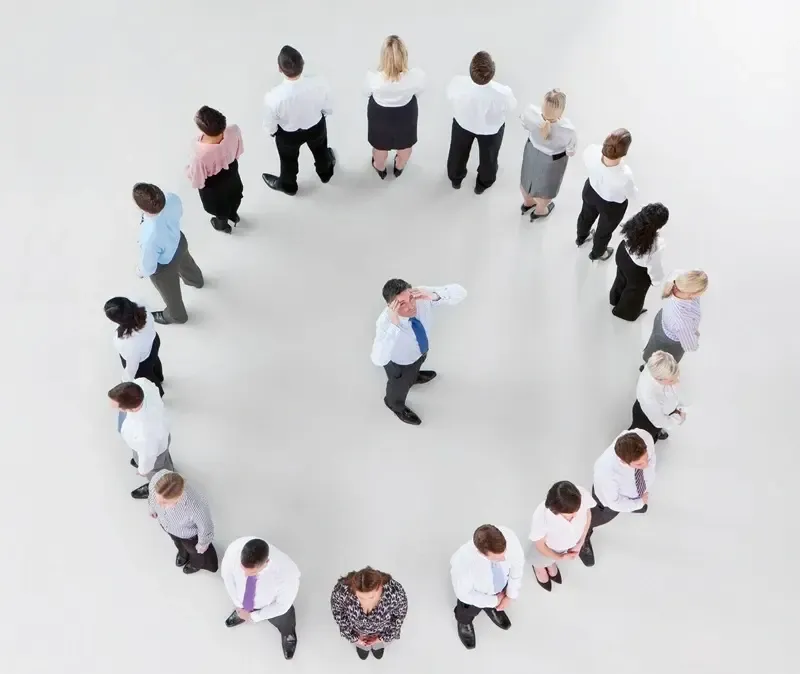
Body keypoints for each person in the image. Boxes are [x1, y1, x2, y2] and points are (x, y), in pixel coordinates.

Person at [370, 279, 467, 425]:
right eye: (402, 304)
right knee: (399, 385)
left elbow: (461, 292)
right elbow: (378, 360)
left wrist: (433, 295)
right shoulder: (385, 322)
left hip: (419, 352)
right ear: (391, 305)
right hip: (400, 363)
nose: (411, 306)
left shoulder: (418, 295)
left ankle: (414, 377)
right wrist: (394, 325)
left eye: (410, 299)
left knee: (416, 365)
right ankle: (394, 404)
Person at [261, 45, 335, 196]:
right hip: (316, 127)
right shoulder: (319, 83)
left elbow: (270, 124)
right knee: (321, 150)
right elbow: (328, 107)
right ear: (303, 64)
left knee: (288, 160)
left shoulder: (273, 97)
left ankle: (288, 186)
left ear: (280, 69)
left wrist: (273, 133)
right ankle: (325, 173)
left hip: (288, 135)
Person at [579, 429, 656, 564]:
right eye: (639, 464)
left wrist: (637, 499)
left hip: (632, 493)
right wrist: (638, 503)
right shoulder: (607, 474)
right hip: (606, 503)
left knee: (633, 502)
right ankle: (582, 537)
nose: (646, 465)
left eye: (647, 458)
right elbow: (614, 503)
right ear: (622, 461)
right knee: (591, 519)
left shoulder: (644, 437)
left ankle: (634, 503)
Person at [133, 183, 204, 325]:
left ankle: (177, 316)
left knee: (171, 294)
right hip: (179, 242)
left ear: (140, 208)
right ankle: (196, 281)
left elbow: (149, 267)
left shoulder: (149, 235)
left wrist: (139, 272)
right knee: (187, 263)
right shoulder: (172, 198)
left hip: (165, 265)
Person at [446, 51, 516, 194]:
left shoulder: (457, 83)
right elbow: (511, 107)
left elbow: (450, 96)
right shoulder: (503, 93)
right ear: (493, 71)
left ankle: (455, 179)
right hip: (491, 130)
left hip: (463, 124)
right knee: (489, 158)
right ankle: (483, 184)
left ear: (471, 68)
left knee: (457, 152)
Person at [221, 537, 300, 660]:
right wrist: (238, 603)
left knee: (285, 620)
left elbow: (282, 606)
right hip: (243, 602)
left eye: (252, 573)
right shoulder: (234, 550)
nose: (246, 575)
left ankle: (288, 634)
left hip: (271, 605)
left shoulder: (287, 573)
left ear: (266, 563)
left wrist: (254, 616)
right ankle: (242, 612)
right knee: (243, 607)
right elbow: (226, 575)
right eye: (243, 569)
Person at [450, 524, 524, 650]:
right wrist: (494, 601)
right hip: (475, 597)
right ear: (480, 552)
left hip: (500, 586)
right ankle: (464, 622)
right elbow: (464, 594)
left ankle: (494, 608)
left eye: (504, 553)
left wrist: (510, 595)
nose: (505, 558)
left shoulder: (509, 537)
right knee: (466, 612)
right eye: (498, 557)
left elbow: (517, 565)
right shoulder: (462, 563)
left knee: (499, 595)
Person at [365, 35, 425, 179]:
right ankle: (399, 166)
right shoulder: (416, 76)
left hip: (379, 115)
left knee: (380, 148)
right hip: (405, 114)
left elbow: (366, 93)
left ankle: (379, 166)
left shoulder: (372, 78)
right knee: (405, 147)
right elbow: (419, 91)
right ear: (404, 56)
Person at [575, 129, 637, 261]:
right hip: (611, 206)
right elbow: (631, 193)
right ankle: (597, 253)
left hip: (590, 191)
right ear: (624, 152)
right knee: (604, 230)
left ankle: (582, 237)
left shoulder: (592, 151)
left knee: (585, 216)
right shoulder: (625, 174)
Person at [108, 379, 171, 499]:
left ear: (132, 409)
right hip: (162, 436)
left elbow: (148, 456)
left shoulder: (145, 433)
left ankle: (159, 486)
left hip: (152, 450)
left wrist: (143, 469)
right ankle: (167, 466)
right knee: (164, 456)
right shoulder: (142, 384)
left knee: (156, 470)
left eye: (118, 407)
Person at [519, 89, 576, 220]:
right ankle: (540, 210)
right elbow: (570, 151)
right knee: (546, 188)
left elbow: (524, 123)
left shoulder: (530, 113)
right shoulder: (568, 130)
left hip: (531, 150)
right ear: (561, 111)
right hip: (553, 160)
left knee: (527, 178)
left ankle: (527, 203)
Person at [186, 105, 244, 234]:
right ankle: (233, 215)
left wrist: (188, 172)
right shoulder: (234, 130)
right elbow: (239, 150)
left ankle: (222, 225)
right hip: (231, 170)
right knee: (234, 195)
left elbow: (198, 179)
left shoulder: (199, 154)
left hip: (213, 184)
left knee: (219, 205)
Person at [528, 481, 595, 592]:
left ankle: (551, 565)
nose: (576, 515)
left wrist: (581, 540)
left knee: (551, 564)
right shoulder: (541, 517)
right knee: (541, 561)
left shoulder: (580, 494)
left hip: (566, 546)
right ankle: (539, 569)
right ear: (556, 510)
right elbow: (540, 546)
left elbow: (587, 513)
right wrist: (559, 557)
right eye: (571, 513)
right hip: (548, 548)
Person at [147, 470, 218, 574]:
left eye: (165, 503)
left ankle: (195, 564)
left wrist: (202, 544)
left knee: (196, 553)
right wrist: (152, 509)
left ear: (179, 497)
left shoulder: (196, 505)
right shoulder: (157, 480)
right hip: (168, 526)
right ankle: (182, 553)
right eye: (158, 500)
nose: (160, 505)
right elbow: (151, 498)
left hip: (189, 536)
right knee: (177, 542)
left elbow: (205, 527)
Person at [330, 567, 408, 660]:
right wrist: (355, 638)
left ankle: (377, 645)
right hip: (358, 633)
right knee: (362, 648)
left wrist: (381, 638)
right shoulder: (342, 591)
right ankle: (362, 646)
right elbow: (338, 613)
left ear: (380, 587)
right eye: (361, 597)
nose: (366, 602)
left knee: (378, 647)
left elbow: (399, 616)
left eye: (371, 597)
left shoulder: (395, 591)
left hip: (381, 632)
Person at [610, 203, 669, 321]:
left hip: (622, 254)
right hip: (637, 269)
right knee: (635, 291)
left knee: (621, 277)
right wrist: (656, 280)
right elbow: (654, 266)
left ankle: (615, 298)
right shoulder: (656, 244)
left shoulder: (632, 222)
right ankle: (625, 312)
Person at [642, 269, 709, 363]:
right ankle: (650, 368)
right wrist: (695, 335)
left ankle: (648, 361)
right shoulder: (682, 320)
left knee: (654, 346)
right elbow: (690, 346)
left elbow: (678, 272)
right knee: (663, 362)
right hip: (670, 341)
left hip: (662, 319)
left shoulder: (679, 279)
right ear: (692, 293)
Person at [104, 297, 164, 396]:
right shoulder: (142, 307)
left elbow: (132, 367)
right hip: (153, 342)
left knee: (148, 377)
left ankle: (158, 394)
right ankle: (160, 376)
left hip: (142, 361)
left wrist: (125, 381)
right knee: (155, 360)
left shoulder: (128, 342)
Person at [631, 350, 685, 442]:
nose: (677, 381)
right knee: (644, 438)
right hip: (646, 419)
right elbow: (659, 421)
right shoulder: (649, 396)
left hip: (660, 411)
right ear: (658, 379)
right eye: (671, 380)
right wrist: (678, 419)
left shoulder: (659, 364)